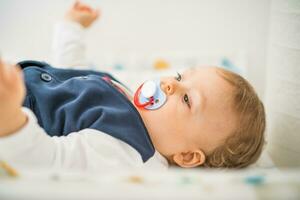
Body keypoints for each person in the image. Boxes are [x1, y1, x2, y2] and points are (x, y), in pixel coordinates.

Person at [0, 1, 265, 172]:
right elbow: (73, 74)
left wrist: (11, 120)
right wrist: (71, 29)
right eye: (180, 77)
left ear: (186, 156)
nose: (171, 85)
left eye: (187, 100)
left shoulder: (126, 151)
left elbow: (51, 163)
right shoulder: (127, 99)